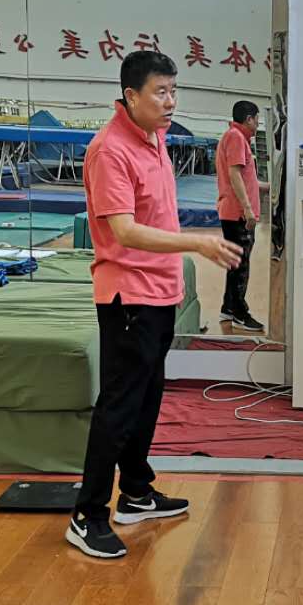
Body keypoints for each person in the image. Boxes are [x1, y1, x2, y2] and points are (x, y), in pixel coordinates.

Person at [67, 50, 242, 560]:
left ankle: (136, 493)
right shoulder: (110, 151)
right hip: (128, 295)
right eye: (161, 92)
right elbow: (123, 230)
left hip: (160, 291)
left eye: (173, 90)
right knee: (120, 405)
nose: (171, 101)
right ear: (131, 96)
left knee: (147, 399)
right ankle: (87, 514)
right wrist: (196, 243)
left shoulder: (155, 137)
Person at [215, 99, 264, 334]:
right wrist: (247, 209)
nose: (258, 124)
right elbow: (234, 175)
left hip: (235, 213)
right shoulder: (235, 137)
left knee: (235, 264)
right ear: (249, 119)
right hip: (237, 215)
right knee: (241, 266)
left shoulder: (236, 138)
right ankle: (239, 313)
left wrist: (268, 188)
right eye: (257, 120)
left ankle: (228, 308)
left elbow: (245, 178)